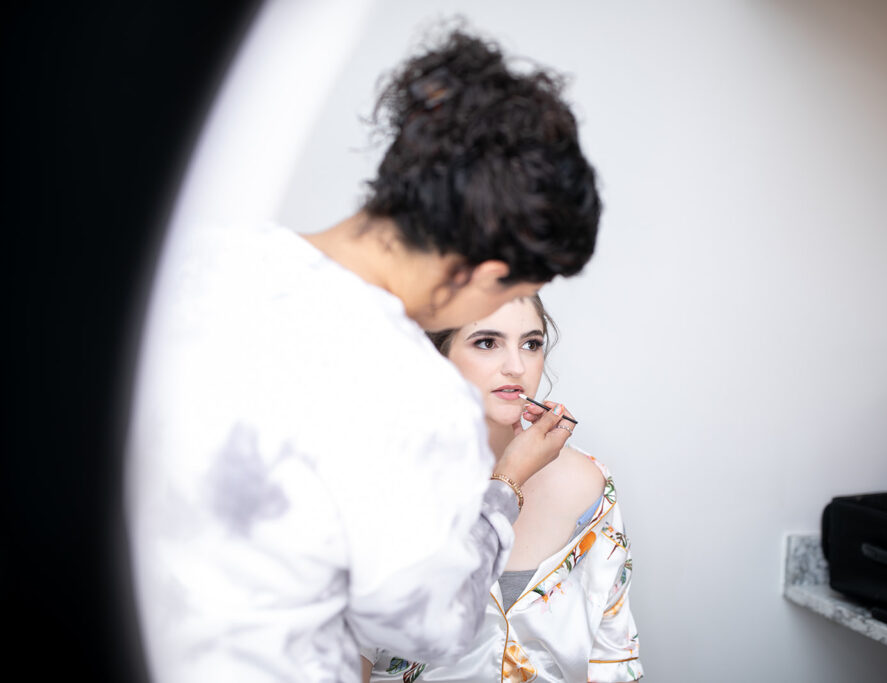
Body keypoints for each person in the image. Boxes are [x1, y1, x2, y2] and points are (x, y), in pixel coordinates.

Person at [125, 28, 600, 683]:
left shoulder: (189, 258)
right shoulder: (416, 395)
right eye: (510, 301)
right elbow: (429, 628)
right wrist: (505, 488)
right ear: (486, 273)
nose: (513, 357)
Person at [362, 296, 643, 682]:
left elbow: (614, 658)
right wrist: (508, 479)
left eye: (531, 344)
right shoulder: (378, 486)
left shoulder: (589, 485)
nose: (516, 367)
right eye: (487, 342)